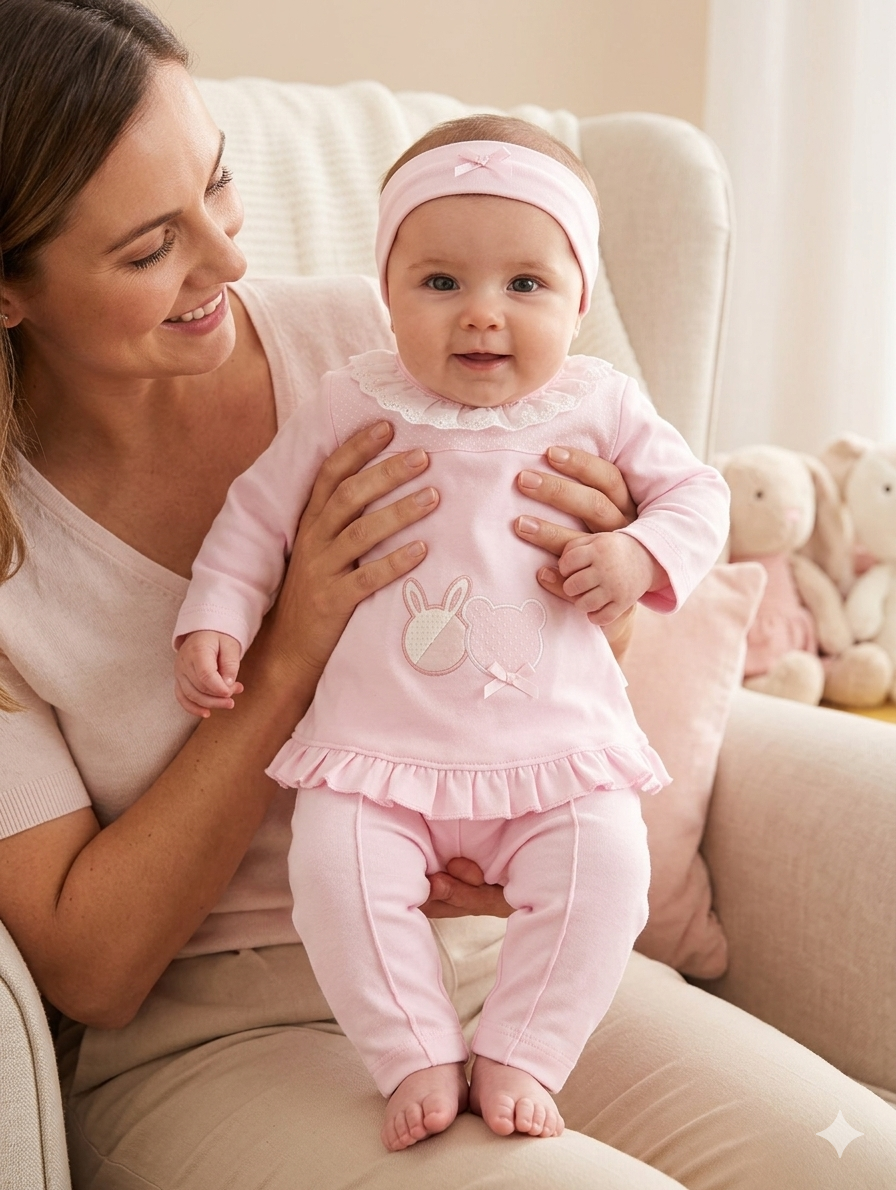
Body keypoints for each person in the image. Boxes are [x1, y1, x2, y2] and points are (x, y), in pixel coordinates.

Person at [1, 3, 895, 1189]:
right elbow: (92, 969)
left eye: (218, 187)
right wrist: (289, 646)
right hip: (221, 1031)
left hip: (517, 956)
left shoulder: (382, 336)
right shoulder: (18, 554)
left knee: (850, 1160)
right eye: (148, 246)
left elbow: (569, 630)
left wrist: (586, 627)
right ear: (13, 291)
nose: (227, 260)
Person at [172, 115, 730, 1151]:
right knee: (332, 874)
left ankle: (523, 1045)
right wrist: (216, 612)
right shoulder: (350, 397)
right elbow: (255, 513)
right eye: (439, 283)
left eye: (524, 285)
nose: (481, 315)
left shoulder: (600, 404)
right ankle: (413, 1052)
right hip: (375, 753)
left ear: (578, 298)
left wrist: (639, 556)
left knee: (606, 868)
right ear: (385, 294)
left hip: (552, 753)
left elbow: (697, 498)